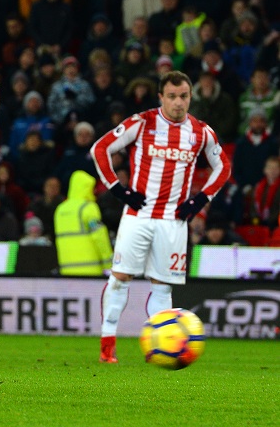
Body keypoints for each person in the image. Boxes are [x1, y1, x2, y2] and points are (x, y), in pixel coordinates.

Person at [91, 70, 231, 364]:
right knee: (120, 279)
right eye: (172, 97)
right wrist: (119, 190)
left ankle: (160, 345)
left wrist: (201, 200)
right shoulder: (143, 123)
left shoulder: (201, 131)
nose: (178, 103)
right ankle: (107, 345)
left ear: (191, 97)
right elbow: (101, 148)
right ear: (161, 98)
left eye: (183, 97)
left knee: (162, 285)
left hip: (174, 221)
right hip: (137, 215)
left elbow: (223, 167)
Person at [53, 170, 112, 276]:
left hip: (66, 270)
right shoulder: (88, 208)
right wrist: (108, 265)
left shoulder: (60, 210)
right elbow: (99, 236)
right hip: (91, 271)